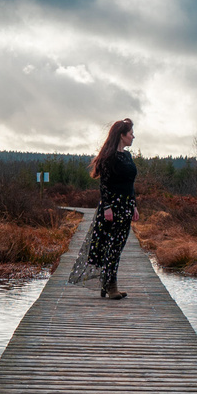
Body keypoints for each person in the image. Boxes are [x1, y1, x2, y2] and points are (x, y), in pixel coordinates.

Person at [68, 118, 139, 299]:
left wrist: (134, 205)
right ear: (122, 135)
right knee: (110, 247)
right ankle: (110, 286)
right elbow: (104, 185)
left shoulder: (128, 157)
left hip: (126, 208)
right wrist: (107, 207)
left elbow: (130, 185)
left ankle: (107, 283)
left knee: (118, 246)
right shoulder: (110, 158)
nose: (133, 136)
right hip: (112, 209)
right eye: (131, 133)